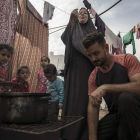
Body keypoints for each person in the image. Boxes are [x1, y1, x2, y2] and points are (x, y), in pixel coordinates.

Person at [82, 32, 140, 140]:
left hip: (136, 111)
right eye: (90, 55)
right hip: (116, 115)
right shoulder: (93, 76)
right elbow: (92, 106)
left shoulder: (127, 60)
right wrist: (92, 137)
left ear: (106, 47)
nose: (93, 59)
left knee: (126, 98)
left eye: (96, 53)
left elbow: (139, 87)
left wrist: (106, 87)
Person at [61, 7, 96, 140]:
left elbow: (97, 46)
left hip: (88, 69)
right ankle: (69, 134)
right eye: (80, 13)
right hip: (73, 69)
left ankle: (85, 134)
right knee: (72, 99)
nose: (82, 15)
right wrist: (72, 21)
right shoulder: (73, 27)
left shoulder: (93, 31)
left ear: (89, 17)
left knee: (85, 99)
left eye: (85, 13)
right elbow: (65, 39)